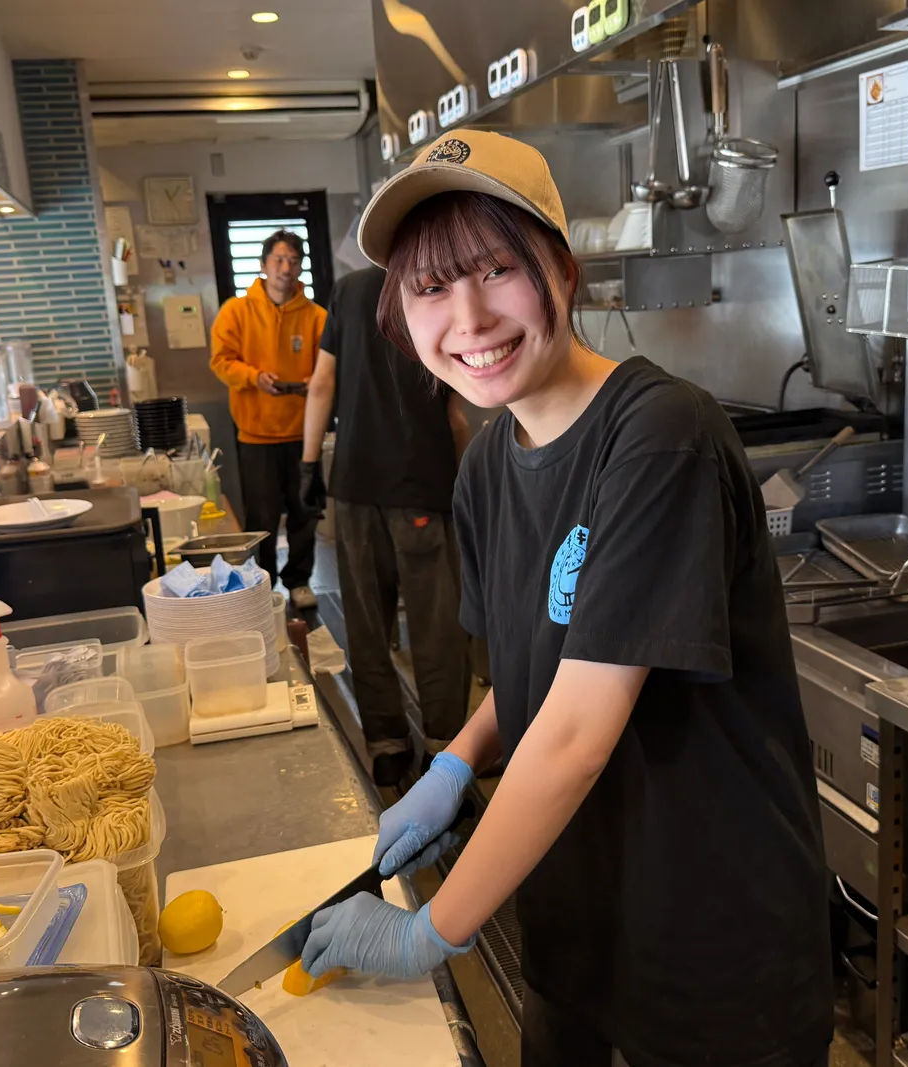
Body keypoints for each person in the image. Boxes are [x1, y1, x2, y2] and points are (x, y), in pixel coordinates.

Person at [299, 130, 833, 1067]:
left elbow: (580, 725)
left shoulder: (659, 436)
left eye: (496, 268)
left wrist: (435, 930)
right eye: (430, 287)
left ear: (561, 266)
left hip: (712, 952)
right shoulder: (487, 470)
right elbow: (538, 670)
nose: (467, 317)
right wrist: (456, 765)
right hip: (577, 931)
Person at [300, 267, 474, 787]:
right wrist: (464, 484)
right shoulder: (438, 286)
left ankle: (386, 746)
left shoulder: (349, 290)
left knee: (366, 622)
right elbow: (455, 411)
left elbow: (321, 384)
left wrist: (310, 465)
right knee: (437, 623)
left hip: (355, 485)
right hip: (422, 481)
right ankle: (445, 750)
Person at [209, 229, 326, 609]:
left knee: (304, 512)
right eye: (278, 259)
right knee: (261, 517)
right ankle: (263, 584)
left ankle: (299, 581)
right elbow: (221, 361)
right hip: (256, 434)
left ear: (301, 266)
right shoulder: (236, 312)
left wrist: (316, 382)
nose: (285, 268)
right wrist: (253, 378)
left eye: (293, 260)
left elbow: (330, 368)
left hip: (304, 435)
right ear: (263, 265)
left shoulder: (317, 317)